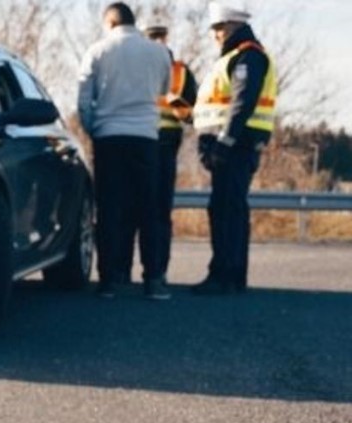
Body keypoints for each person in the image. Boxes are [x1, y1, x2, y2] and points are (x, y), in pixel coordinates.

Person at [78, 3, 172, 299]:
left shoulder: (97, 51)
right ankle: (153, 279)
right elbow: (164, 89)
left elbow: (84, 100)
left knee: (109, 209)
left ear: (110, 22)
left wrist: (93, 129)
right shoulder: (158, 52)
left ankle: (109, 280)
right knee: (149, 209)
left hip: (109, 136)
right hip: (145, 137)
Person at [192, 2, 277, 295]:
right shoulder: (236, 56)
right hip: (234, 143)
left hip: (235, 145)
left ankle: (224, 276)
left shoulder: (247, 56)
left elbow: (242, 102)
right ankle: (231, 275)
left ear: (233, 25)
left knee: (226, 209)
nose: (215, 34)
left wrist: (224, 142)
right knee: (229, 208)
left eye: (219, 27)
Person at [145, 24, 198, 288]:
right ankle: (148, 272)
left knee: (157, 210)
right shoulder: (139, 66)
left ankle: (155, 271)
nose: (158, 44)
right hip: (144, 139)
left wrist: (180, 108)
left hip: (163, 140)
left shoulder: (181, 71)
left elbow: (193, 113)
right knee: (147, 210)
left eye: (160, 39)